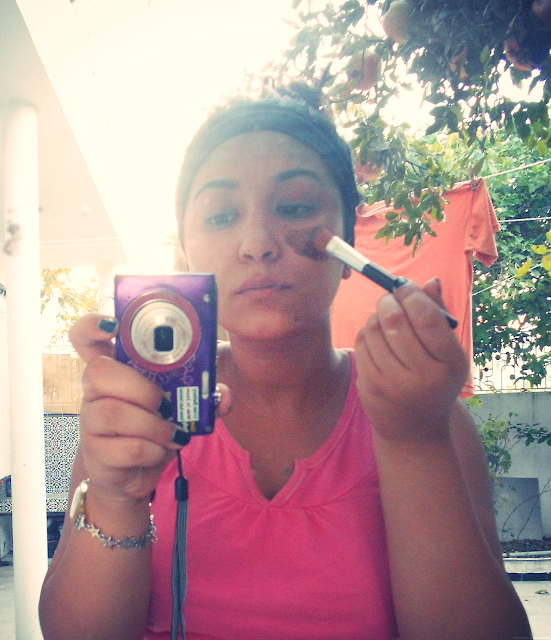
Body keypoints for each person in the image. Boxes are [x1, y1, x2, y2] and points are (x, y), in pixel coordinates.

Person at [39, 85, 532, 640]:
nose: (257, 243)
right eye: (221, 215)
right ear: (184, 254)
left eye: (295, 207)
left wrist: (412, 439)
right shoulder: (141, 409)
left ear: (348, 245)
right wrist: (116, 497)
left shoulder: (424, 413)